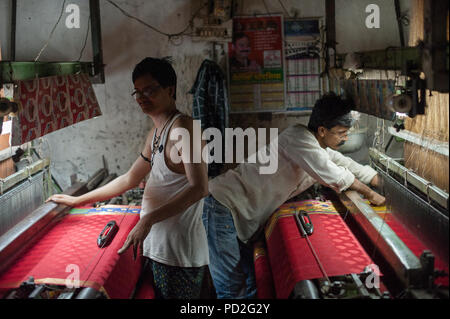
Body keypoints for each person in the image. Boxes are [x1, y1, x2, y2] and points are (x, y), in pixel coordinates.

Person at [47, 57, 211, 299]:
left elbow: (199, 188)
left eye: (150, 90)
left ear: (170, 89)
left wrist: (147, 221)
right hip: (162, 248)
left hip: (179, 254)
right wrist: (78, 201)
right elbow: (129, 179)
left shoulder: (183, 129)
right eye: (137, 91)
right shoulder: (157, 133)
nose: (142, 97)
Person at [203, 92, 386, 299]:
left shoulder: (317, 146)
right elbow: (335, 175)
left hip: (239, 211)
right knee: (232, 290)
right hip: (224, 205)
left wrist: (380, 181)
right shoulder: (298, 138)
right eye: (341, 132)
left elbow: (345, 163)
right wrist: (371, 194)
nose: (345, 137)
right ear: (323, 130)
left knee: (252, 282)